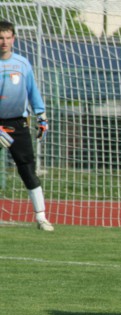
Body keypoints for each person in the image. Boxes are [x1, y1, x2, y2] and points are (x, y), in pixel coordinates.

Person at [0, 20, 53, 231]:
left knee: (27, 168)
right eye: (0, 38)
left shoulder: (22, 63)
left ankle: (41, 217)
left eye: (7, 37)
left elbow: (33, 92)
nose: (3, 42)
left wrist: (42, 117)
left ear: (13, 39)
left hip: (17, 123)